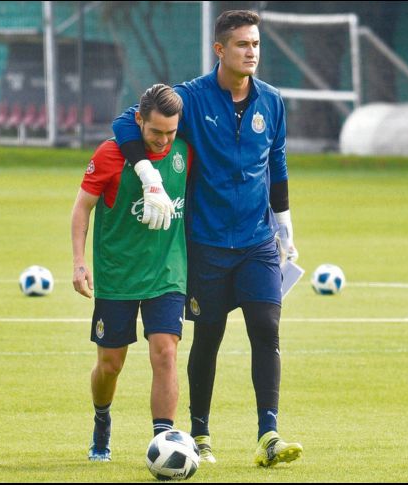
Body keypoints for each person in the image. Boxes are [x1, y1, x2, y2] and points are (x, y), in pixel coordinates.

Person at [111, 10, 302, 467]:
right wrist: (146, 172)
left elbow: (276, 166)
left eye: (255, 44)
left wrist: (285, 228)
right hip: (207, 244)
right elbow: (126, 122)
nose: (251, 52)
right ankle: (199, 434)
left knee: (266, 329)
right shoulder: (191, 98)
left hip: (257, 242)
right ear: (220, 50)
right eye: (242, 45)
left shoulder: (272, 101)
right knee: (209, 336)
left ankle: (268, 434)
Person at [71, 84, 192, 462]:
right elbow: (81, 209)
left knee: (166, 352)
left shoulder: (185, 150)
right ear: (138, 120)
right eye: (156, 132)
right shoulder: (111, 154)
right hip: (117, 275)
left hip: (167, 272)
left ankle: (165, 441)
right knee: (110, 365)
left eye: (170, 132)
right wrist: (79, 262)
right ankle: (102, 419)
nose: (163, 140)